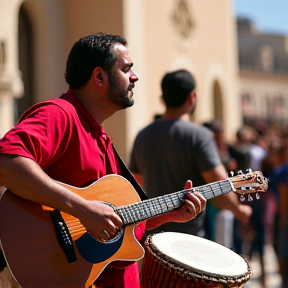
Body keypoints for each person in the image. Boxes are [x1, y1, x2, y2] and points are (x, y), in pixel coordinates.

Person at [0, 34, 206, 288]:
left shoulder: (100, 136)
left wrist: (171, 214)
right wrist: (83, 208)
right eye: (126, 68)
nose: (135, 76)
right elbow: (7, 162)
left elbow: (116, 223)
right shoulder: (59, 114)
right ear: (99, 76)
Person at [129, 69, 252, 239]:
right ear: (192, 97)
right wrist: (239, 210)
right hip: (189, 239)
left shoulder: (142, 136)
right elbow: (219, 187)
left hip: (151, 239)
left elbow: (136, 187)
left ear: (162, 99)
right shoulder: (199, 135)